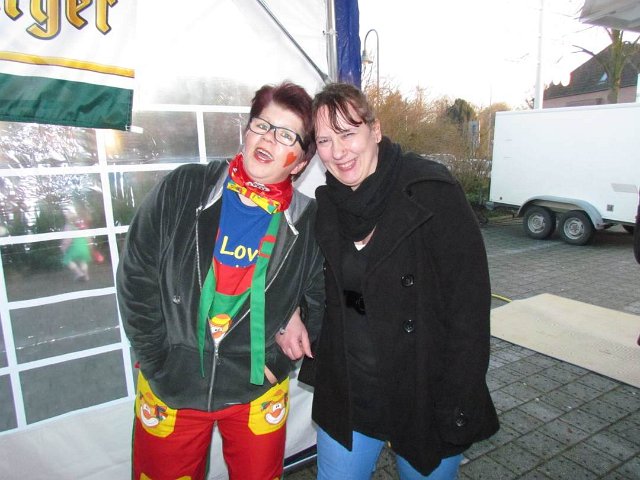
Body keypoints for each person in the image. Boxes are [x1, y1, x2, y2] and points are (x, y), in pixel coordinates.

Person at [116, 81, 324, 480]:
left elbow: (323, 300)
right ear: (247, 130)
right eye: (262, 125)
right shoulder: (184, 187)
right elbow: (135, 277)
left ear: (300, 162)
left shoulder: (308, 221)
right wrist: (157, 361)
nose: (268, 138)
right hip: (172, 386)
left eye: (286, 135)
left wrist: (279, 356)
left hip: (257, 391)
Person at [294, 82, 499, 479]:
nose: (338, 151)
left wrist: (458, 397)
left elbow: (470, 308)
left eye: (347, 133)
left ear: (376, 129)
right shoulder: (327, 207)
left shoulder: (431, 192)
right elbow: (310, 283)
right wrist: (292, 314)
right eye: (324, 140)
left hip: (425, 392)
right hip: (351, 394)